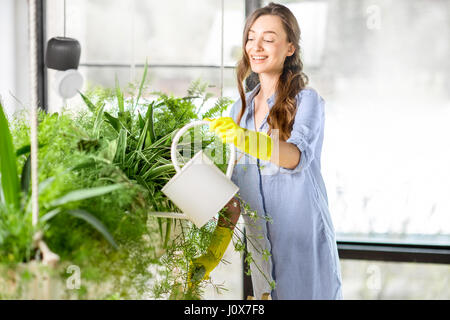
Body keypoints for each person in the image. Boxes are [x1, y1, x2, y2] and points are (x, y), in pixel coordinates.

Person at [188, 2, 342, 300]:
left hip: (303, 250)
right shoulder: (239, 110)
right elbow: (233, 195)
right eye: (250, 37)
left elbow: (295, 157)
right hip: (262, 257)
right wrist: (211, 255)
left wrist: (244, 138)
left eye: (268, 39)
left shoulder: (306, 101)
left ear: (289, 48)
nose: (255, 47)